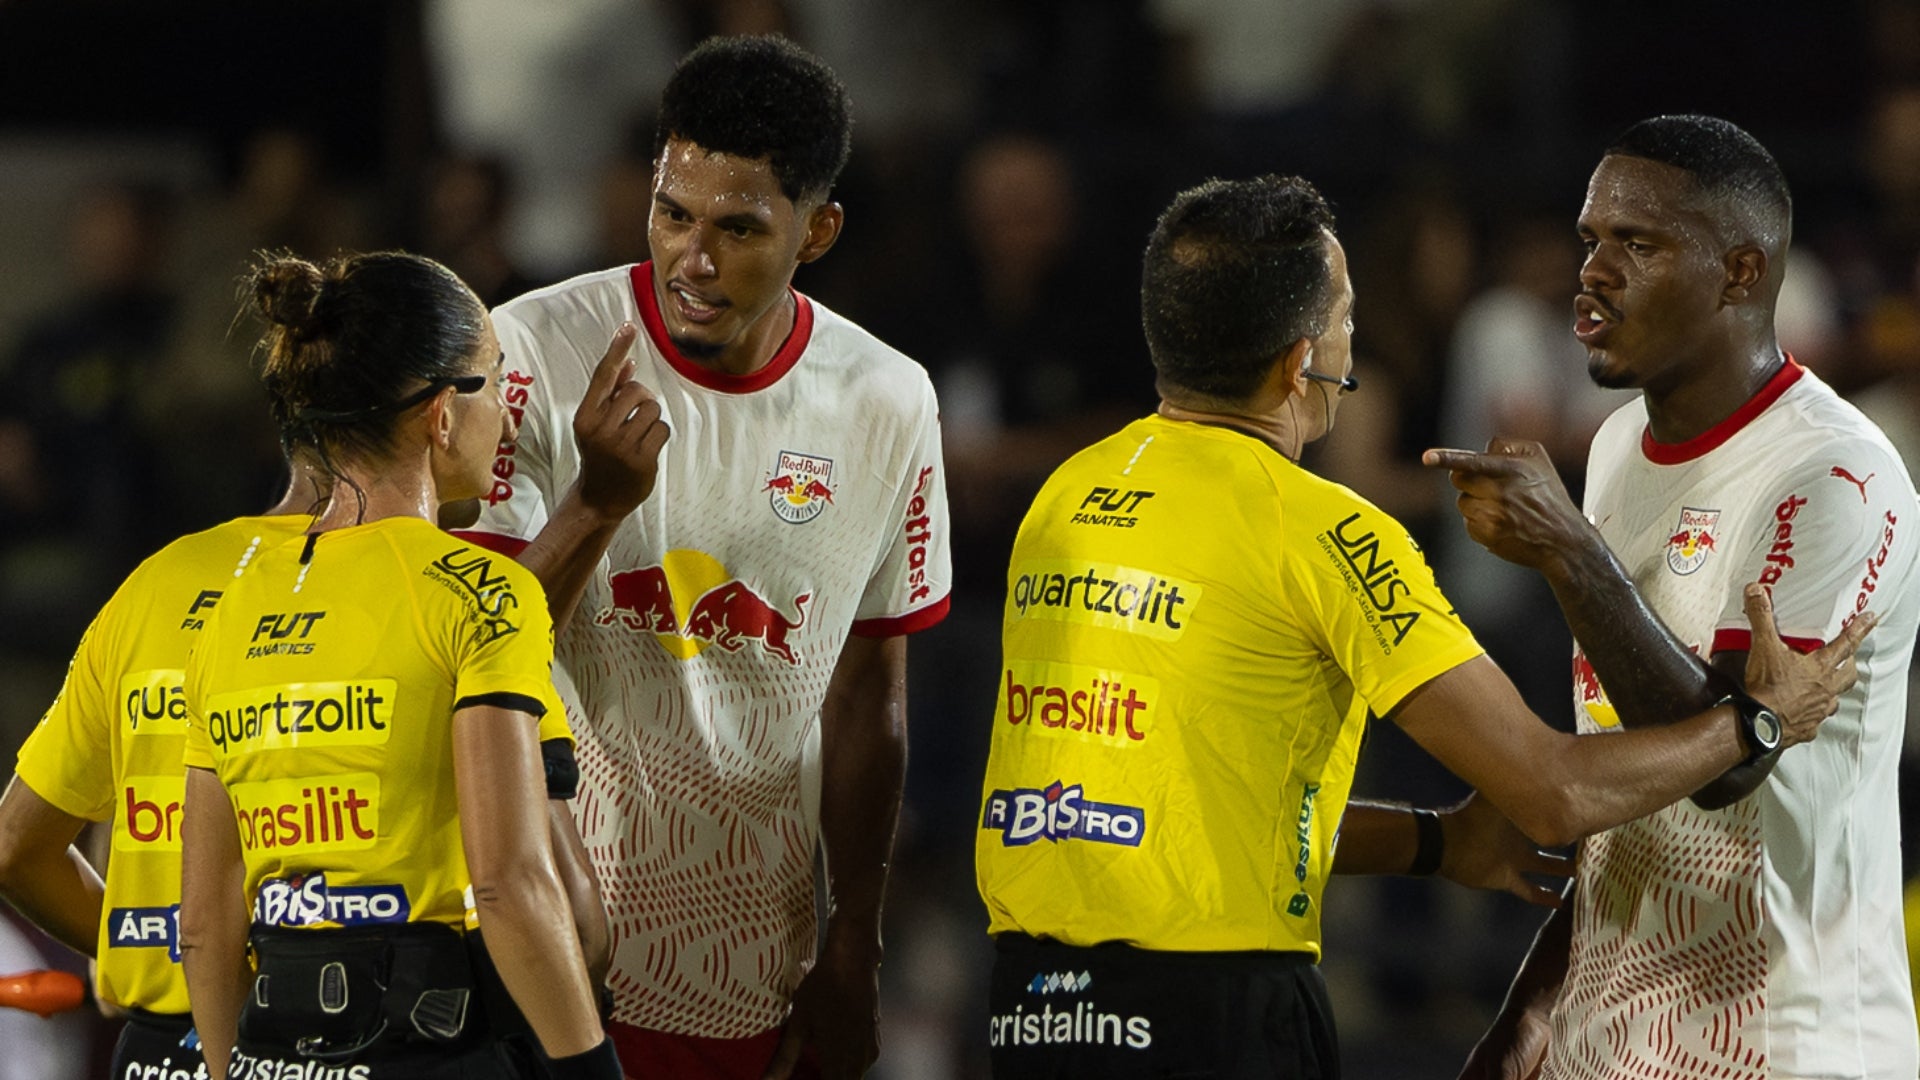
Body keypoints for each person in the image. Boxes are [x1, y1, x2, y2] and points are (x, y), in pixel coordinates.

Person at [972, 173, 1872, 1080]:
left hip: (1025, 1009)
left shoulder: (1065, 497)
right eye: (1346, 318)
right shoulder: (1327, 531)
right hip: (1212, 1017)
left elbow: (1186, 813)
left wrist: (1439, 843)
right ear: (1302, 360)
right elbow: (1551, 792)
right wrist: (1756, 721)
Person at [454, 33, 951, 1080]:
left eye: (739, 229)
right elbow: (465, 651)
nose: (694, 258)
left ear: (818, 231)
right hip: (554, 963)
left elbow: (870, 691)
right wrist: (595, 503)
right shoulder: (532, 348)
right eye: (674, 213)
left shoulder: (889, 398)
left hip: (758, 972)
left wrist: (855, 941)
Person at [1432, 115, 1920, 1079]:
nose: (1593, 273)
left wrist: (1573, 555)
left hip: (1783, 1040)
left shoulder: (1834, 474)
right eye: (1590, 240)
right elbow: (1631, 779)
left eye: (1638, 245)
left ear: (1740, 273)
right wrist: (1531, 1010)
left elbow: (1730, 761)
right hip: (1610, 1040)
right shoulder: (1618, 445)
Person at [176, 251, 624, 1080]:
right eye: (496, 382)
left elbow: (203, 922)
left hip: (279, 1056)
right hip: (441, 1048)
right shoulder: (481, 593)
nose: (511, 422)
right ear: (441, 414)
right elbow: (511, 885)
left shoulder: (227, 611)